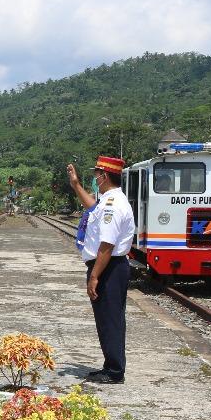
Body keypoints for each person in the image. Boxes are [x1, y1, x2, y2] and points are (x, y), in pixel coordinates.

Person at [67, 156, 135, 384]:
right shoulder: (107, 201)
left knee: (111, 319)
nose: (94, 179)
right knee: (106, 319)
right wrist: (76, 185)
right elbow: (92, 208)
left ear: (104, 176)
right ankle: (110, 365)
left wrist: (94, 276)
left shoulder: (113, 206)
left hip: (109, 268)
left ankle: (115, 371)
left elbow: (107, 245)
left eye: (96, 175)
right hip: (108, 266)